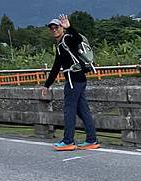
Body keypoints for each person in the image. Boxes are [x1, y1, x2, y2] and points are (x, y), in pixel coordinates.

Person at [41, 15, 100, 151]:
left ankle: (68, 140)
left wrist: (70, 27)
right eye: (52, 28)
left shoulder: (67, 39)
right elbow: (56, 67)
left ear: (62, 28)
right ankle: (92, 139)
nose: (54, 30)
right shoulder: (60, 45)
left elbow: (78, 39)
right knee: (83, 110)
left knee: (69, 110)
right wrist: (47, 85)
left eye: (57, 27)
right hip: (78, 79)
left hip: (74, 80)